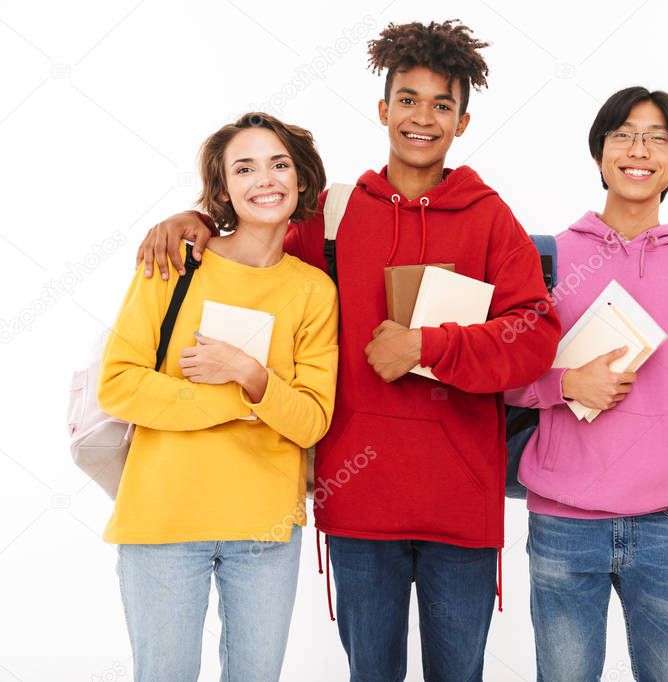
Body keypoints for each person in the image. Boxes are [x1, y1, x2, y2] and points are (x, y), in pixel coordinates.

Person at [132, 20, 560, 681]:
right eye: (409, 100)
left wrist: (429, 345)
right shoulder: (331, 217)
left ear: (463, 121)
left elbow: (533, 336)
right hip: (359, 501)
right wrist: (196, 219)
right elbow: (255, 236)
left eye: (442, 105)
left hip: (461, 505)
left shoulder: (489, 218)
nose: (423, 118)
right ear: (383, 109)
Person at [505, 86, 668, 681]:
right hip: (562, 519)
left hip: (666, 521)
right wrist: (564, 385)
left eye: (658, 138)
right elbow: (501, 378)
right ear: (599, 155)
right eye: (624, 135)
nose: (640, 149)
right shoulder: (546, 258)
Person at [98, 112, 338, 681]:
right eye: (245, 167)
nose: (266, 179)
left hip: (264, 526)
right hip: (163, 519)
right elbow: (119, 383)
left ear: (300, 179)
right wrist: (242, 400)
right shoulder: (177, 262)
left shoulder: (312, 290)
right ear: (223, 189)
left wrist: (248, 374)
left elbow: (312, 421)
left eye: (279, 164)